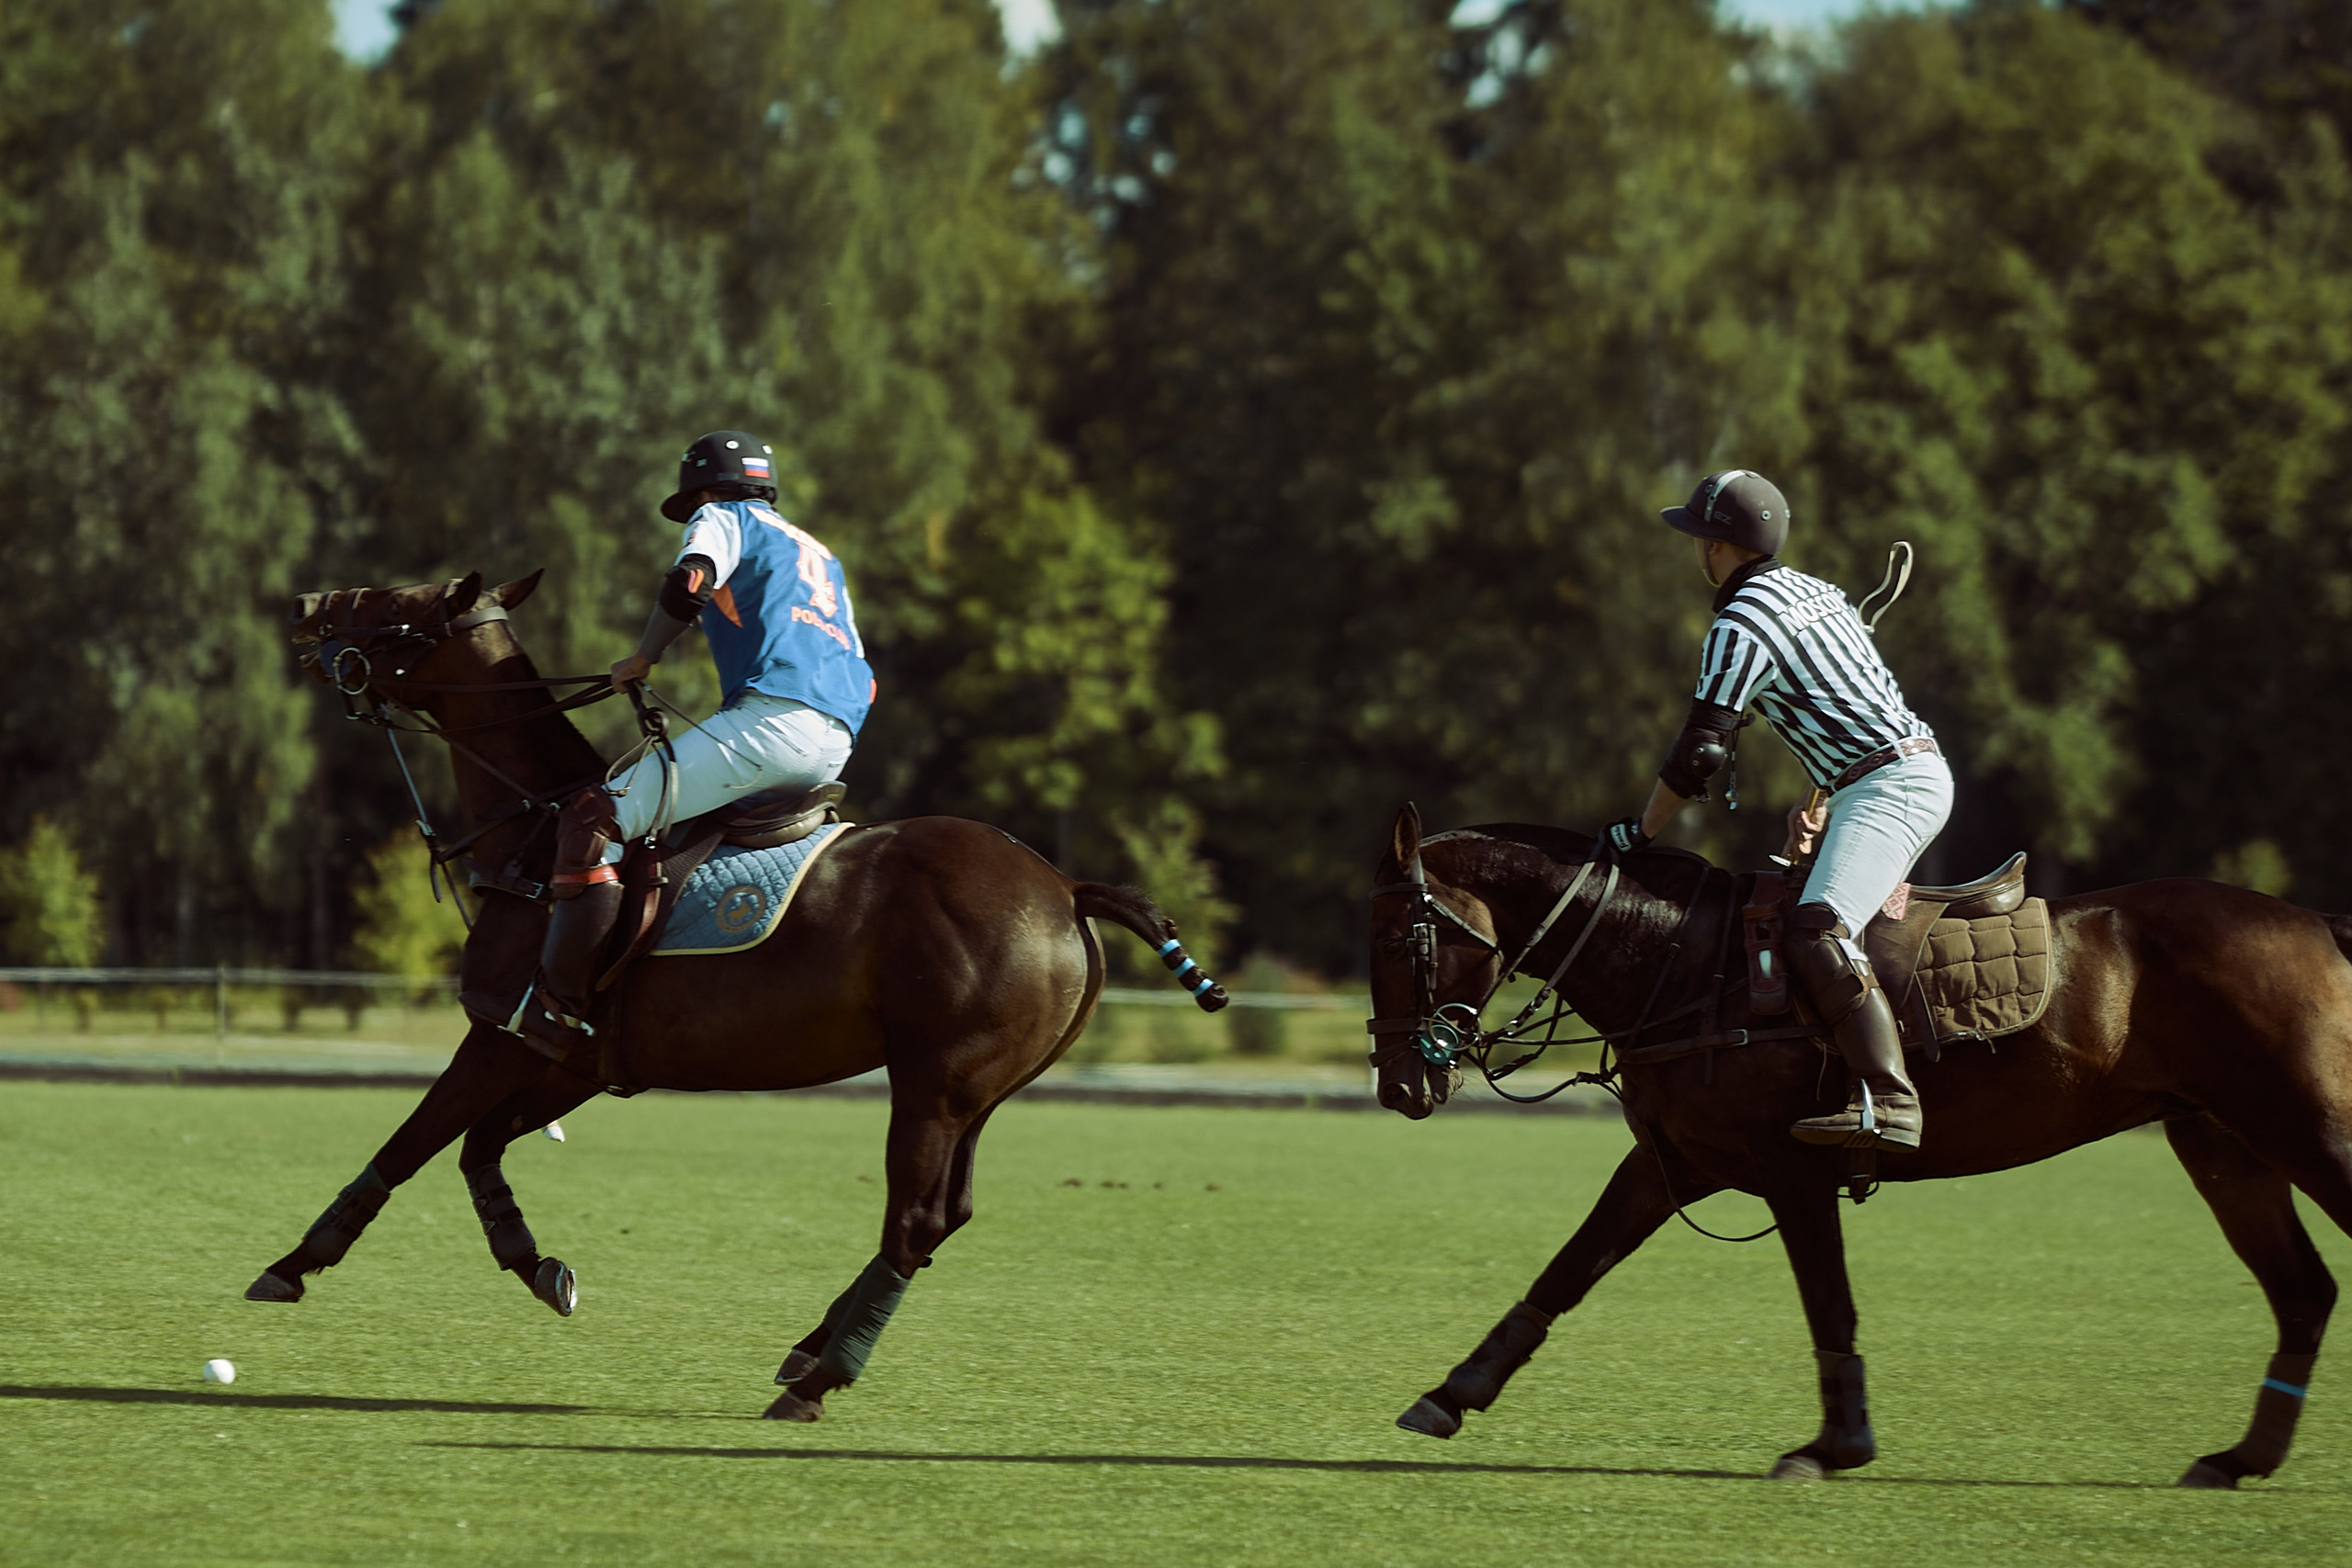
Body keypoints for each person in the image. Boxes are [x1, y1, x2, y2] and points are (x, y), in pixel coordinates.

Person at [1600, 469, 1952, 1151]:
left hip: (1892, 785)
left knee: (1815, 929)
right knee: (1798, 918)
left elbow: (1700, 753)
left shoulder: (1740, 625)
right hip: (1887, 773)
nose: (1696, 550)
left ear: (1714, 546)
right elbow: (1850, 710)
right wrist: (1818, 794)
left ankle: (1889, 1097)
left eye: (1698, 537)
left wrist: (1639, 832)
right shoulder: (1818, 592)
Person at [516, 430, 874, 1054]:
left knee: (593, 816)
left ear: (707, 489)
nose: (692, 514)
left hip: (773, 723)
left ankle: (560, 1010)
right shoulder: (820, 552)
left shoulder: (724, 516)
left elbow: (690, 583)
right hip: (838, 737)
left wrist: (642, 657)